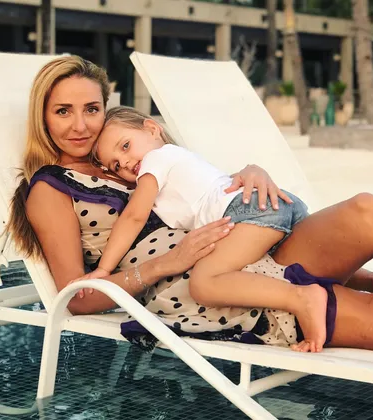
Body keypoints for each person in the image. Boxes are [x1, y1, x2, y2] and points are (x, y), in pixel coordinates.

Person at [7, 54, 373, 362]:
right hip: (210, 288)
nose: (80, 125)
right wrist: (165, 263)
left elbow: (196, 187)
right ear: (43, 117)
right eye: (62, 111)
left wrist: (251, 172)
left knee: (366, 211)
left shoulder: (122, 158)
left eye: (91, 109)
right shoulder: (50, 188)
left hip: (247, 243)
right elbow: (78, 299)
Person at [83, 105, 329, 352]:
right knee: (317, 264)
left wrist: (104, 269)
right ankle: (344, 289)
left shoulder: (155, 160)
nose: (125, 162)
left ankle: (300, 298)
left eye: (125, 146)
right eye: (115, 166)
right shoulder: (180, 161)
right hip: (271, 203)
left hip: (249, 212)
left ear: (152, 129)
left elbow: (133, 217)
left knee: (204, 283)